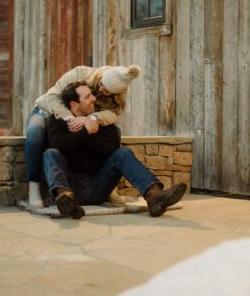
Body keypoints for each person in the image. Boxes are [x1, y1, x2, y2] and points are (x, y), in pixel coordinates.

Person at [43, 81, 186, 219]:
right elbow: (58, 145)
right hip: (70, 186)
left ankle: (154, 196)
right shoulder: (57, 120)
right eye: (87, 97)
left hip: (97, 185)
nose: (94, 98)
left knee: (123, 153)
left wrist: (92, 131)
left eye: (91, 94)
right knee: (50, 153)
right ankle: (67, 202)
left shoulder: (100, 118)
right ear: (74, 105)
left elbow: (112, 148)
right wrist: (85, 132)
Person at [25, 64, 141, 209]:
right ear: (100, 77)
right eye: (101, 85)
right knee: (36, 133)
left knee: (114, 132)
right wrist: (70, 118)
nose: (100, 90)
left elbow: (112, 114)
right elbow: (52, 97)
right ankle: (34, 186)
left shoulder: (117, 95)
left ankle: (109, 186)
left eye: (107, 92)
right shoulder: (80, 73)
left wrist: (90, 118)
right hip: (47, 110)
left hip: (83, 116)